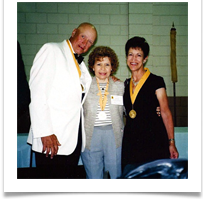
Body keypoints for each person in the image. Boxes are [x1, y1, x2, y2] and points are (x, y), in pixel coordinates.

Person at [27, 22, 97, 178]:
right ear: (74, 32)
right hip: (52, 139)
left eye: (90, 42)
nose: (85, 43)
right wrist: (45, 132)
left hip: (72, 138)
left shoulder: (80, 63)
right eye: (83, 37)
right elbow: (37, 93)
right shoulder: (52, 50)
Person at [122, 36, 179, 171]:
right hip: (131, 142)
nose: (133, 59)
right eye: (130, 54)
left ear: (145, 58)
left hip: (154, 141)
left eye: (138, 55)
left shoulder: (156, 81)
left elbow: (165, 112)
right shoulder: (124, 84)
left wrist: (171, 142)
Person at [81, 46, 124, 179]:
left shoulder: (121, 86)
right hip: (90, 134)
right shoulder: (84, 86)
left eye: (107, 64)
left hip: (113, 134)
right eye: (99, 64)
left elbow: (132, 108)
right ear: (92, 67)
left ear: (112, 67)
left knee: (115, 173)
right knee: (93, 175)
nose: (103, 68)